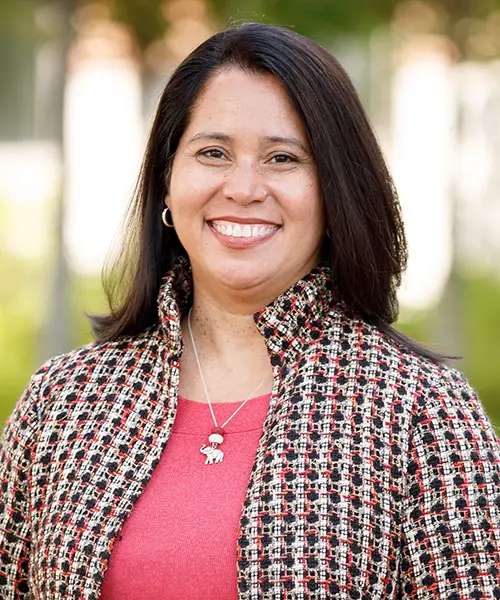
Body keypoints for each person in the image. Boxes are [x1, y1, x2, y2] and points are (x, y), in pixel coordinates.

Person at [1, 21, 499, 600]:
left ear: (337, 190)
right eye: (213, 152)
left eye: (283, 158)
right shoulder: (64, 401)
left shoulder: (420, 413)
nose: (243, 187)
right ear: (167, 182)